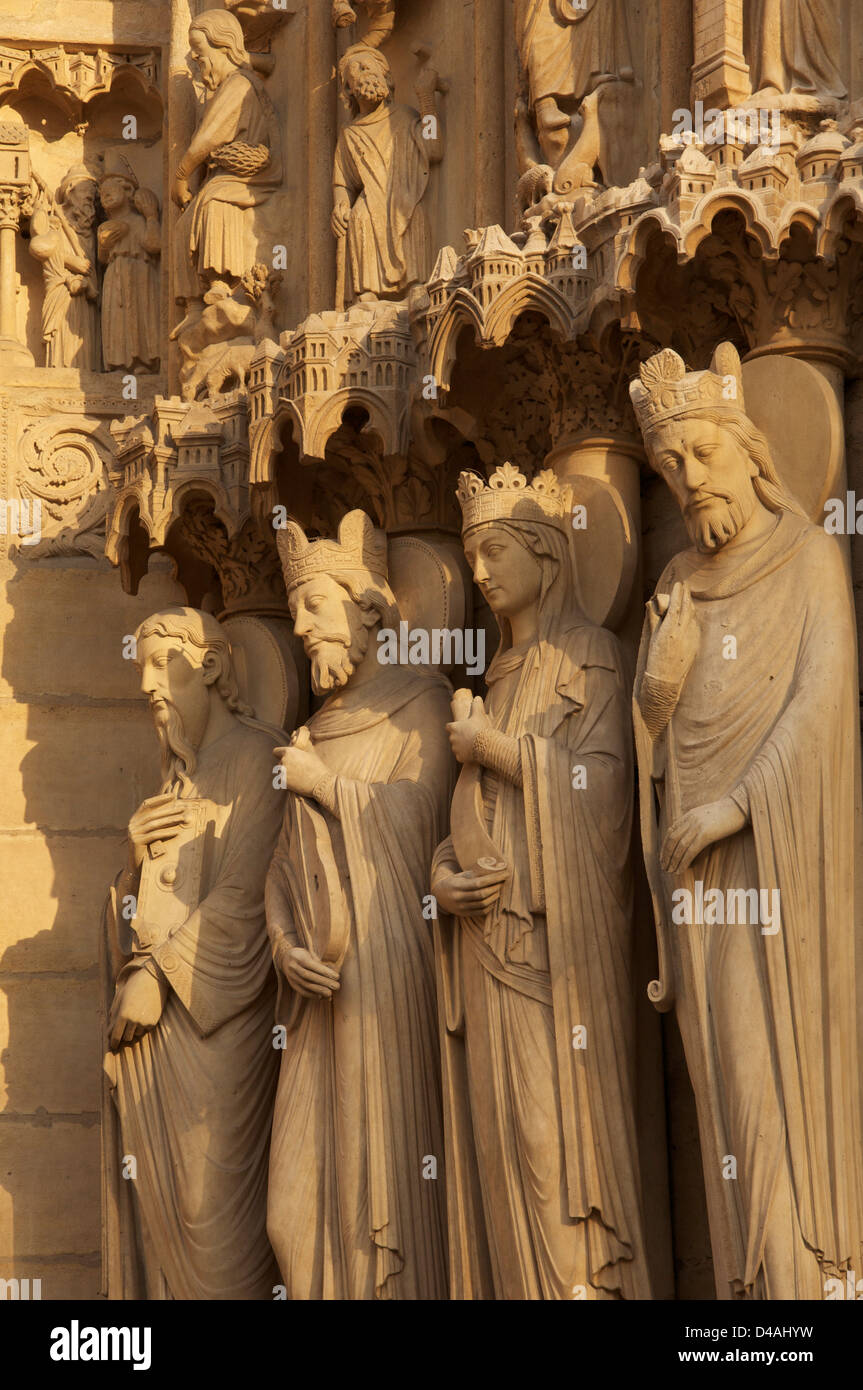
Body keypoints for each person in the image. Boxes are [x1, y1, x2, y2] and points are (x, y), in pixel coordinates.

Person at [630, 342, 863, 1297]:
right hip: (701, 884)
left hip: (780, 867)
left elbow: (821, 705)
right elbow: (650, 742)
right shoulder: (677, 588)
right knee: (723, 1092)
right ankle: (746, 1297)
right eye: (669, 467)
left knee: (768, 1091)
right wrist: (661, 678)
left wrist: (736, 805)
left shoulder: (810, 559)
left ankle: (800, 1297)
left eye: (701, 455)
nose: (687, 480)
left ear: (750, 446)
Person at [431, 462, 651, 1299]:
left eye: (493, 551)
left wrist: (495, 749)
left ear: (547, 552)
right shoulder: (491, 678)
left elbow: (602, 797)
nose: (479, 573)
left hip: (557, 958)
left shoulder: (590, 656)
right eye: (469, 556)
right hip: (487, 948)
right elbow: (467, 813)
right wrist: (442, 881)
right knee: (500, 1153)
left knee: (550, 1146)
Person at [101, 607, 284, 1299]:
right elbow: (140, 910)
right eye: (140, 667)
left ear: (208, 666)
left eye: (160, 663)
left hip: (222, 1032)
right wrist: (131, 861)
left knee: (215, 1221)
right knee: (168, 1219)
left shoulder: (257, 761)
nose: (147, 684)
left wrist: (153, 975)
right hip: (162, 1039)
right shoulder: (175, 778)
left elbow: (245, 900)